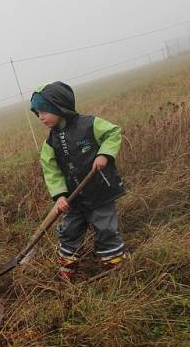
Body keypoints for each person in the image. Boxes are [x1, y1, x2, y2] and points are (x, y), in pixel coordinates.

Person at [30, 81, 128, 280]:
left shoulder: (90, 124)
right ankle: (68, 268)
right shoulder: (50, 143)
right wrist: (60, 196)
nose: (40, 117)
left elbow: (113, 132)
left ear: (59, 106)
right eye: (37, 113)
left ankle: (115, 264)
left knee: (105, 227)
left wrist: (104, 154)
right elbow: (51, 171)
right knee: (69, 231)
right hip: (73, 200)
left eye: (44, 111)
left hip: (99, 191)